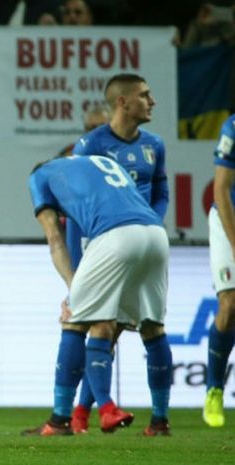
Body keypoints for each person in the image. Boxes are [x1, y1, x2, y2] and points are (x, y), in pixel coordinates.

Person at [23, 154, 172, 437]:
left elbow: (55, 238)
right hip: (155, 234)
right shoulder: (102, 162)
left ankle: (59, 420)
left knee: (75, 321)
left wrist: (72, 290)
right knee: (153, 328)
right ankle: (159, 422)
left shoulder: (39, 176)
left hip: (116, 235)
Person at [68, 73, 170, 434]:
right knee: (103, 328)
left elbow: (161, 193)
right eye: (144, 95)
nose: (152, 101)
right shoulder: (89, 146)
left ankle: (159, 419)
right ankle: (83, 414)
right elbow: (75, 212)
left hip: (142, 243)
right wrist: (76, 270)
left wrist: (149, 223)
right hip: (104, 246)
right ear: (123, 102)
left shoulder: (154, 145)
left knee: (152, 326)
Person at [204, 112, 235, 427]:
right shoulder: (233, 127)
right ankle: (214, 389)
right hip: (230, 215)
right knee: (229, 304)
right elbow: (221, 189)